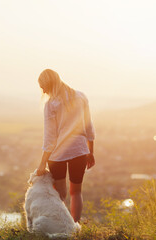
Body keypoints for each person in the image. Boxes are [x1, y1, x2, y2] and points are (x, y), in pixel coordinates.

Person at [36, 69, 95, 223]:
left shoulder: (51, 105)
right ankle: (75, 227)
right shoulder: (81, 97)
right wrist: (90, 151)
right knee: (76, 193)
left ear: (49, 85)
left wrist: (42, 163)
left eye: (43, 86)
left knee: (59, 196)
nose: (42, 90)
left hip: (57, 155)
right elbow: (89, 127)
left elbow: (50, 138)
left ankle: (62, 226)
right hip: (79, 150)